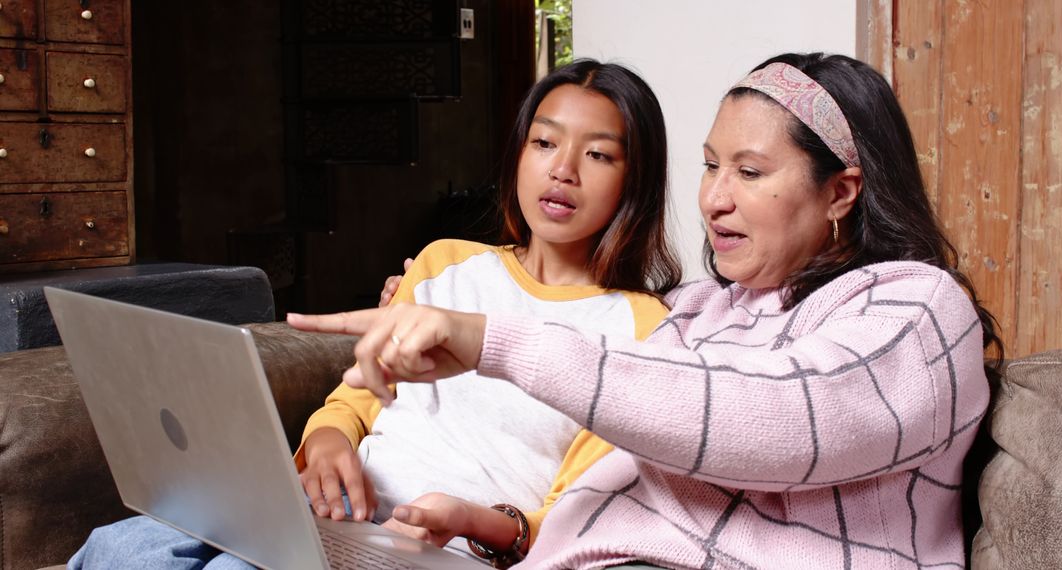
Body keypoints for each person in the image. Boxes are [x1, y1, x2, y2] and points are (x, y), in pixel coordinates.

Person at [289, 52, 1003, 570]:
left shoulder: (914, 306)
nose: (714, 198)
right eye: (710, 165)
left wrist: (492, 341)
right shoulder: (697, 311)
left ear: (841, 193)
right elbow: (598, 475)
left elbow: (775, 418)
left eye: (749, 172)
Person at [68, 59, 681, 569]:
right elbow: (358, 398)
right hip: (335, 517)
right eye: (543, 142)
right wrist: (329, 442)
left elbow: (584, 510)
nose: (562, 169)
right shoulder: (446, 264)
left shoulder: (640, 327)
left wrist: (476, 521)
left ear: (636, 180)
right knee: (119, 548)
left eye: (599, 155)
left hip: (444, 549)